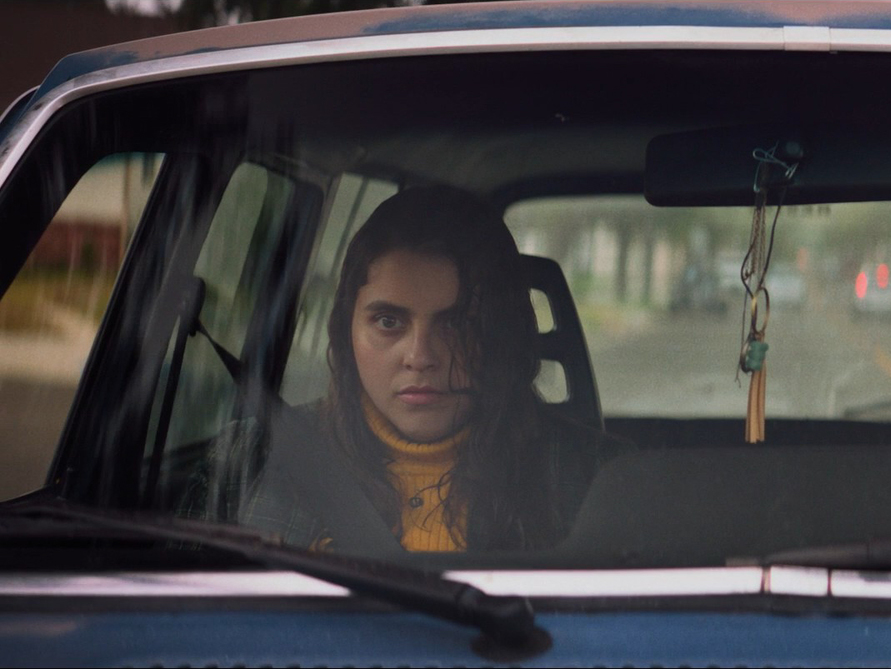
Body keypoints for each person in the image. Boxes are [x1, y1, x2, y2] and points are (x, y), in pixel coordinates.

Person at [218, 187, 631, 552]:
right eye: (388, 322)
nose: (420, 356)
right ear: (347, 329)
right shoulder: (252, 459)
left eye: (456, 324)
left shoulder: (599, 481)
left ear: (501, 333)